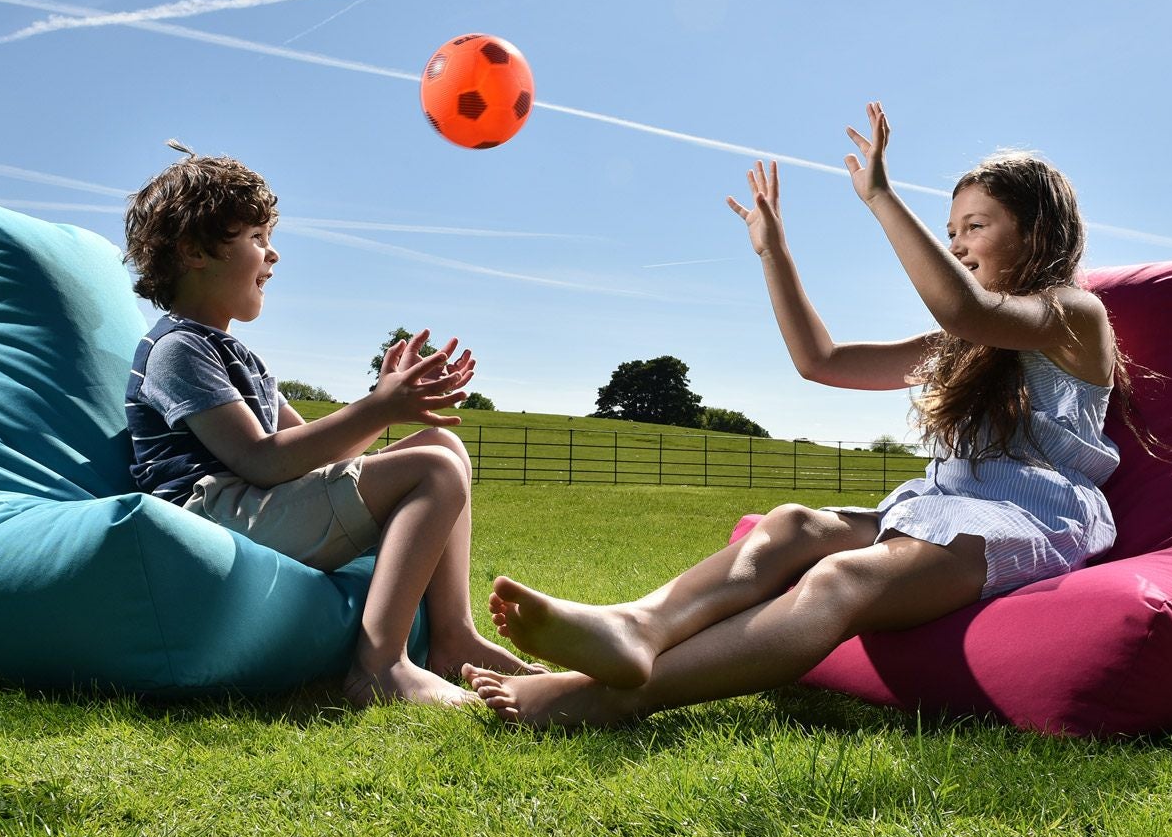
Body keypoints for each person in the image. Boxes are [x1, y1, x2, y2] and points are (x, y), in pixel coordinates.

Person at [464, 102, 1121, 727]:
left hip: (1030, 521)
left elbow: (962, 307)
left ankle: (610, 698)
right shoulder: (965, 345)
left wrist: (880, 198)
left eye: (974, 226)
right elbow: (823, 360)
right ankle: (638, 625)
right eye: (950, 232)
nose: (955, 246)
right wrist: (773, 251)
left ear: (1037, 232)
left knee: (839, 578)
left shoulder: (1074, 316)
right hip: (944, 509)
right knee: (792, 524)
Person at [122, 143, 534, 708]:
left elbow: (307, 454)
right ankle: (379, 667)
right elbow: (261, 460)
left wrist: (381, 403)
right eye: (257, 238)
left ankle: (453, 637)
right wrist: (378, 410)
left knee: (444, 443)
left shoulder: (237, 355)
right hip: (207, 519)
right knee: (433, 468)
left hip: (250, 505)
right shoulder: (177, 349)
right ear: (195, 251)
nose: (274, 255)